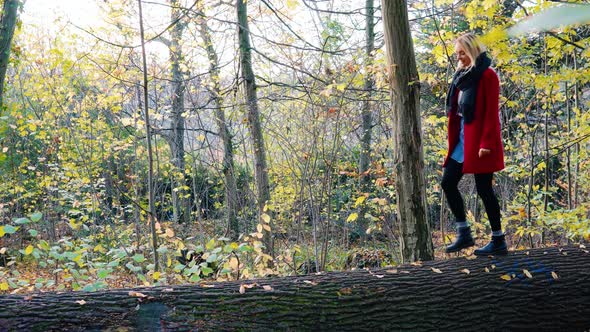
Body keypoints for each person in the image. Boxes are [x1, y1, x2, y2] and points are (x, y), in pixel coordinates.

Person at [442, 33, 507, 256]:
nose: (459, 57)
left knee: (484, 189)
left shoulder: (487, 75)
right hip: (462, 139)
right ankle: (464, 233)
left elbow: (491, 112)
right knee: (448, 182)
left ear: (473, 51)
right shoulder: (463, 75)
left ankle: (498, 239)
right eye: (457, 53)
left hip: (481, 142)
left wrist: (487, 142)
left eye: (463, 53)